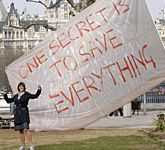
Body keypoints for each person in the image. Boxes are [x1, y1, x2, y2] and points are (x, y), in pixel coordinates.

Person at [4, 82, 42, 150]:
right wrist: (5, 95)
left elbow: (35, 96)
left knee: (26, 129)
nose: (21, 87)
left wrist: (39, 90)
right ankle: (22, 146)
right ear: (18, 87)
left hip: (24, 113)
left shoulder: (27, 94)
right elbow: (8, 101)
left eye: (22, 86)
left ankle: (31, 145)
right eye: (20, 86)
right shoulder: (16, 95)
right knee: (20, 131)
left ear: (24, 87)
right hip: (17, 114)